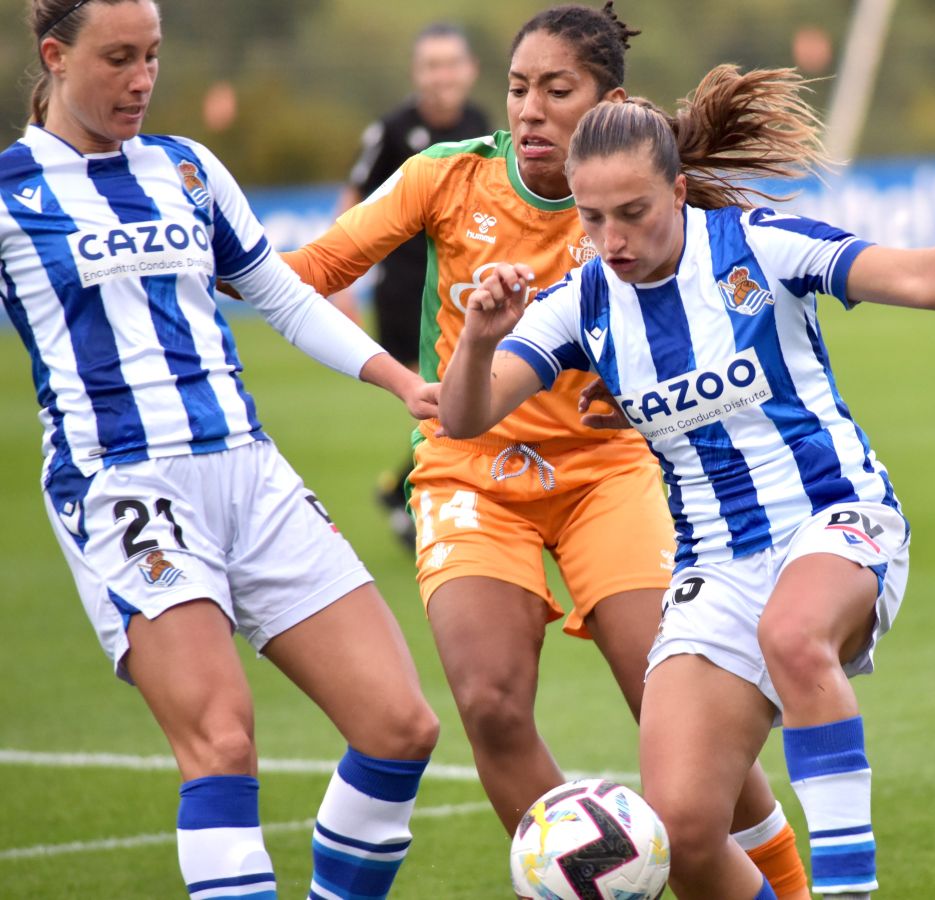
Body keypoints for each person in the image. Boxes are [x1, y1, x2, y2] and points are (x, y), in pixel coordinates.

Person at [436, 67, 935, 899]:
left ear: (677, 191)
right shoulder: (581, 302)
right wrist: (481, 340)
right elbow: (465, 417)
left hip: (836, 521)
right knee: (686, 832)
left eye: (634, 213)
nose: (614, 238)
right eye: (593, 219)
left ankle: (850, 887)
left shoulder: (758, 246)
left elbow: (916, 275)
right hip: (715, 568)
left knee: (793, 636)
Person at [283, 4, 810, 896]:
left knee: (672, 704)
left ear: (611, 102)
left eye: (556, 90)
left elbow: (733, 321)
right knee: (488, 704)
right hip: (469, 474)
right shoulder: (445, 177)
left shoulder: (654, 197)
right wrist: (387, 374)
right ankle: (595, 883)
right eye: (519, 87)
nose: (529, 108)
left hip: (610, 475)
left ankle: (780, 891)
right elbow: (297, 276)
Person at [3, 2, 443, 898]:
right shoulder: (11, 192)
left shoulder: (187, 168)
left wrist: (401, 381)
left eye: (154, 56)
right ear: (54, 55)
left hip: (248, 466)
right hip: (124, 484)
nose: (142, 79)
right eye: (118, 58)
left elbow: (279, 295)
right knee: (223, 740)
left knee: (399, 725)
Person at [330, 23, 491, 548]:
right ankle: (416, 493)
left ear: (469, 72)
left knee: (462, 396)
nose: (441, 76)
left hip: (466, 286)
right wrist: (341, 281)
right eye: (431, 65)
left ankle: (401, 489)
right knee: (449, 396)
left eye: (450, 64)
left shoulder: (481, 123)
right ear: (416, 74)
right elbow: (354, 196)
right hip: (406, 293)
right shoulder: (393, 129)